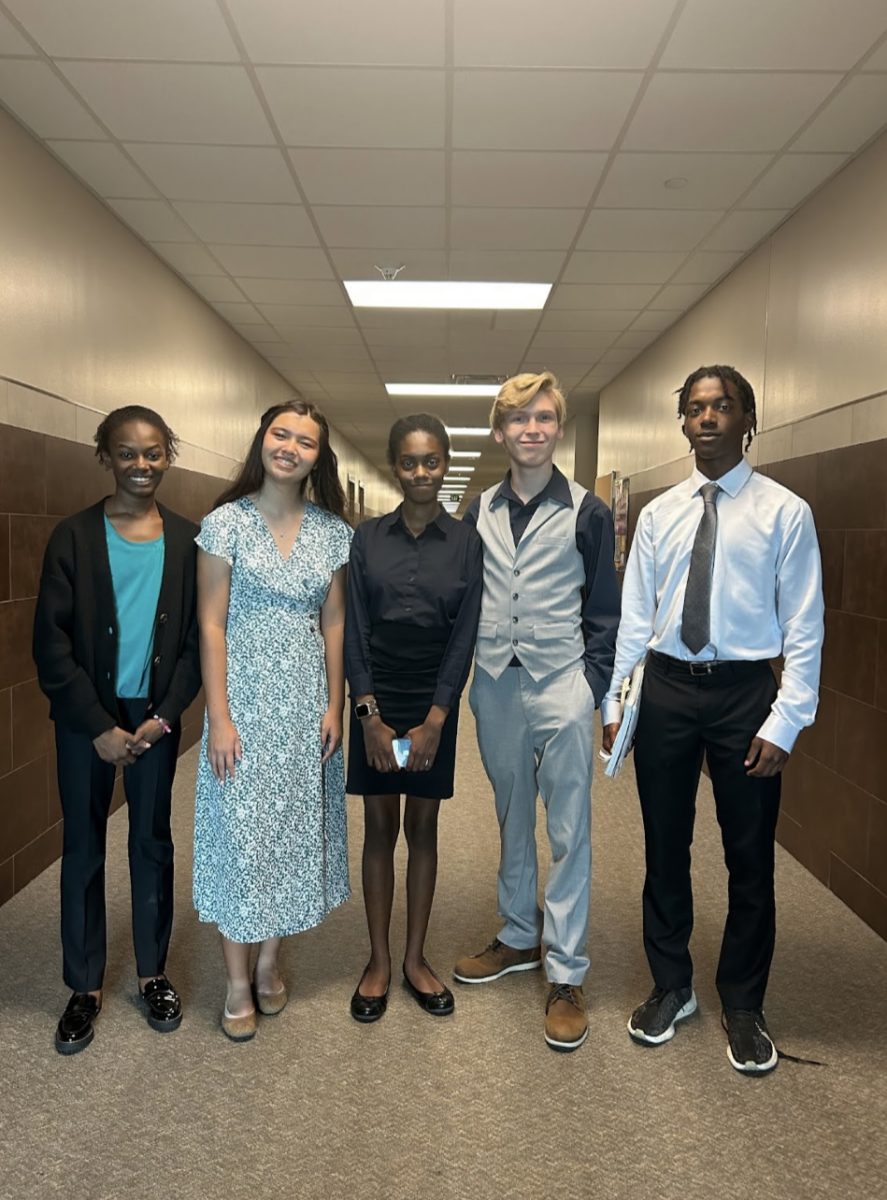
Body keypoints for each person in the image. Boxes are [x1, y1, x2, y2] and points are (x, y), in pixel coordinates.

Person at [602, 365, 824, 1075]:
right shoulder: (660, 514)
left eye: (720, 406)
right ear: (683, 422)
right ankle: (670, 986)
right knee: (664, 848)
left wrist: (785, 720)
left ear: (745, 417)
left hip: (742, 698)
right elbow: (634, 617)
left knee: (747, 856)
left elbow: (805, 626)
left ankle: (743, 1001)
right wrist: (614, 703)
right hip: (665, 689)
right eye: (695, 408)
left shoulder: (783, 512)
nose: (705, 418)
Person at [454, 372, 620, 1052]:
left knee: (568, 826)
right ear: (499, 432)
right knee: (509, 812)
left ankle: (566, 971)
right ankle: (519, 935)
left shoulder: (587, 510)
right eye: (517, 419)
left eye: (543, 418)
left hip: (561, 682)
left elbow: (606, 609)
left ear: (558, 428)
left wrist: (592, 686)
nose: (531, 429)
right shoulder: (477, 510)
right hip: (494, 682)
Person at [34, 406, 201, 1055]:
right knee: (83, 846)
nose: (141, 464)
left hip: (154, 718)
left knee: (151, 843)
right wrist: (97, 725)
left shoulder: (189, 541)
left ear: (169, 455)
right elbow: (50, 645)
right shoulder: (72, 537)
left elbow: (193, 644)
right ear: (105, 456)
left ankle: (152, 973)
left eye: (154, 452)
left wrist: (162, 720)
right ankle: (84, 984)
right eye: (128, 453)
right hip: (87, 722)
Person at [193, 400, 352, 1042]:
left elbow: (335, 621)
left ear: (319, 456)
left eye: (305, 441)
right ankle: (236, 984)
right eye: (280, 434)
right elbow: (210, 623)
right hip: (245, 705)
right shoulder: (223, 524)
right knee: (241, 840)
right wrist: (220, 716)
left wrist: (335, 703)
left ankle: (267, 963)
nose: (289, 447)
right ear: (263, 439)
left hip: (305, 706)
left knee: (285, 836)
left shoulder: (332, 532)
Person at [344, 414, 482, 1022]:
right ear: (394, 465)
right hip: (377, 696)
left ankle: (415, 959)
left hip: (433, 702)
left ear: (444, 464)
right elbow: (353, 627)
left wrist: (437, 718)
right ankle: (377, 960)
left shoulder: (466, 542)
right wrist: (368, 714)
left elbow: (465, 635)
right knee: (379, 826)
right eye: (409, 462)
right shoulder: (367, 538)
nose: (421, 473)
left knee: (421, 828)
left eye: (431, 461)